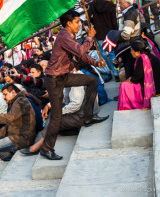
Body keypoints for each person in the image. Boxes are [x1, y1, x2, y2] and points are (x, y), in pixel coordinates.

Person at [39, 9, 108, 160]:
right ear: (68, 23)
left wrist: (96, 62)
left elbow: (81, 55)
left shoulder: (70, 35)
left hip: (63, 76)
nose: (79, 25)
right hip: (54, 80)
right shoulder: (64, 36)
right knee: (57, 117)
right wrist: (90, 37)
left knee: (92, 81)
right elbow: (81, 50)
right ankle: (47, 148)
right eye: (77, 22)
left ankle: (89, 116)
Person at [0, 83, 36, 161]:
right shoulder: (15, 101)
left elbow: (9, 118)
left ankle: (10, 157)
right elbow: (10, 123)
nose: (3, 97)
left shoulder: (20, 101)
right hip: (17, 133)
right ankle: (10, 151)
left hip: (23, 138)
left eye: (5, 94)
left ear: (13, 92)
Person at [118, 40, 160, 110]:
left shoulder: (142, 58)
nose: (131, 53)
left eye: (132, 51)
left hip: (152, 88)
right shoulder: (150, 54)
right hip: (157, 86)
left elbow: (136, 78)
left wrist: (128, 80)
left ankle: (125, 107)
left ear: (138, 52)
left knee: (124, 86)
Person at [88, 0, 119, 81]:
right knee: (112, 53)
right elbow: (114, 21)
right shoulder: (111, 5)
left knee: (102, 55)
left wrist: (94, 22)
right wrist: (116, 32)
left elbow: (88, 17)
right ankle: (116, 72)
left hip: (99, 33)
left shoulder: (93, 4)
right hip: (110, 33)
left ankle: (107, 73)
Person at [117, 0, 140, 78]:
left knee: (130, 71)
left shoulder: (130, 14)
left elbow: (126, 35)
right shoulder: (128, 12)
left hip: (131, 44)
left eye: (121, 3)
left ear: (127, 3)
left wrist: (116, 37)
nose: (119, 5)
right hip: (130, 44)